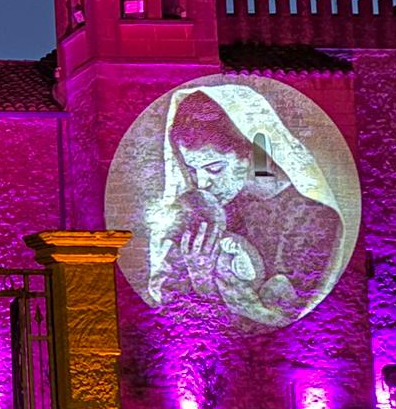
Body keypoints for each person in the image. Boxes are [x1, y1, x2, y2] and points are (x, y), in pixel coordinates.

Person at [146, 88, 344, 326]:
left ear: (249, 153)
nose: (202, 183)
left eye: (214, 169)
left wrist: (203, 281)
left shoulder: (313, 218)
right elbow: (172, 309)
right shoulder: (208, 208)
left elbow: (270, 325)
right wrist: (199, 276)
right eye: (192, 170)